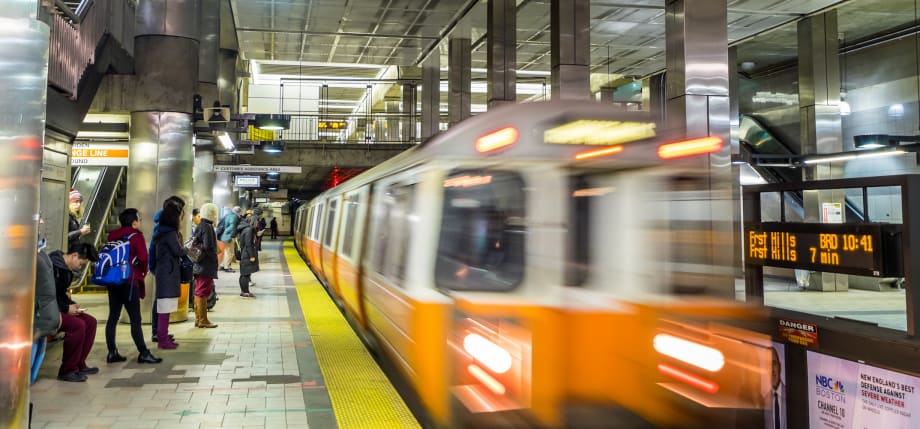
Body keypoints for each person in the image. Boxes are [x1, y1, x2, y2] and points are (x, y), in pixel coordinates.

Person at [104, 208, 162, 364]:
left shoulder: (112, 235)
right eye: (139, 220)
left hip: (113, 281)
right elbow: (143, 258)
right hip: (130, 282)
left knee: (113, 317)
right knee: (135, 319)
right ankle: (143, 352)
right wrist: (143, 272)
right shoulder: (136, 236)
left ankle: (112, 352)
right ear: (134, 222)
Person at [50, 242, 99, 382]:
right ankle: (67, 370)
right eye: (81, 263)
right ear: (74, 255)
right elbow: (48, 295)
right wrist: (66, 308)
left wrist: (71, 304)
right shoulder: (53, 267)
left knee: (90, 322)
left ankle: (78, 363)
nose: (80, 267)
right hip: (47, 311)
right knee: (77, 325)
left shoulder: (65, 270)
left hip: (58, 307)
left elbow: (60, 295)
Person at [149, 195, 185, 343]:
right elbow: (156, 248)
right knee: (160, 301)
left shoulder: (164, 224)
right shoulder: (164, 227)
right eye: (181, 210)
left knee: (161, 300)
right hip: (164, 267)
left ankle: (159, 332)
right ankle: (157, 332)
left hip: (163, 266)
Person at [192, 203, 220, 328]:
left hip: (199, 264)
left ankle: (198, 319)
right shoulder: (208, 227)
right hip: (205, 264)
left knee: (199, 290)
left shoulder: (200, 225)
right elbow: (209, 246)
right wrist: (214, 258)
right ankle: (203, 319)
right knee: (203, 291)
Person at [237, 207, 261, 298]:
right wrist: (251, 255)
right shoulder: (249, 230)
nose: (257, 224)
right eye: (257, 222)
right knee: (245, 274)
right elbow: (248, 243)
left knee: (245, 273)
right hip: (246, 254)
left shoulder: (246, 229)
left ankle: (245, 291)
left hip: (244, 253)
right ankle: (244, 292)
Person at [219, 206, 242, 272]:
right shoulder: (234, 217)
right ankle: (227, 267)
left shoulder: (228, 215)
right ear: (238, 211)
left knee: (227, 251)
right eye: (240, 212)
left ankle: (222, 265)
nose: (241, 213)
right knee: (230, 252)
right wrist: (232, 236)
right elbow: (232, 227)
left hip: (225, 235)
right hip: (229, 237)